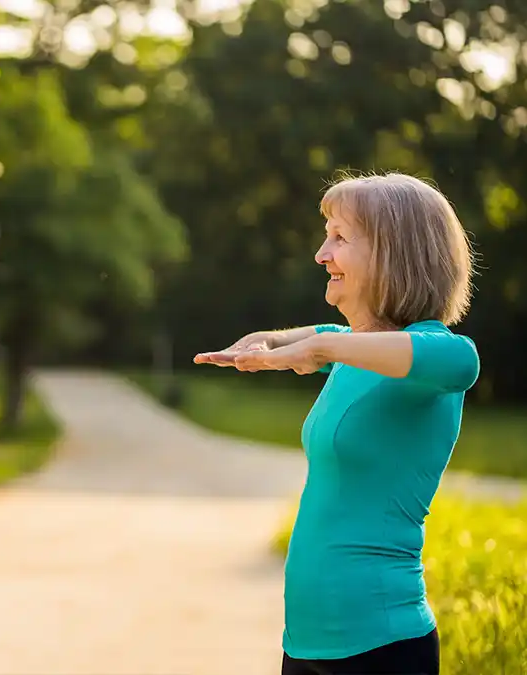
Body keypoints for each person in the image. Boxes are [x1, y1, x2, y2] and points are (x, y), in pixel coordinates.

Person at [195, 173, 479, 675]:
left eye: (340, 238)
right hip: (306, 643)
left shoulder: (436, 357)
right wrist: (262, 347)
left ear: (395, 254)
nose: (321, 254)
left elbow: (460, 362)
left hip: (381, 645)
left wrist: (319, 349)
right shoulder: (352, 349)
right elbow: (298, 338)